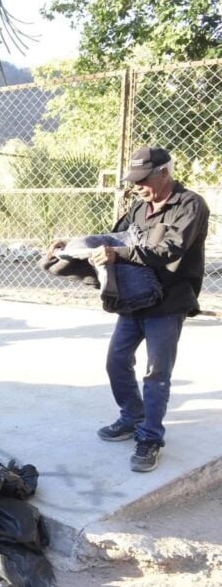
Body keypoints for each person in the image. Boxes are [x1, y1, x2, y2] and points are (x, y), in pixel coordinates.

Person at [73, 147, 209, 473]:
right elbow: (113, 237)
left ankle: (150, 437)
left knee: (156, 374)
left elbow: (168, 249)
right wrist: (71, 246)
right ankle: (133, 415)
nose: (137, 187)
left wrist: (118, 254)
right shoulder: (139, 206)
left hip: (169, 302)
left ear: (164, 172)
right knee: (117, 361)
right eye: (134, 181)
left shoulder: (190, 205)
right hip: (135, 298)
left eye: (143, 180)